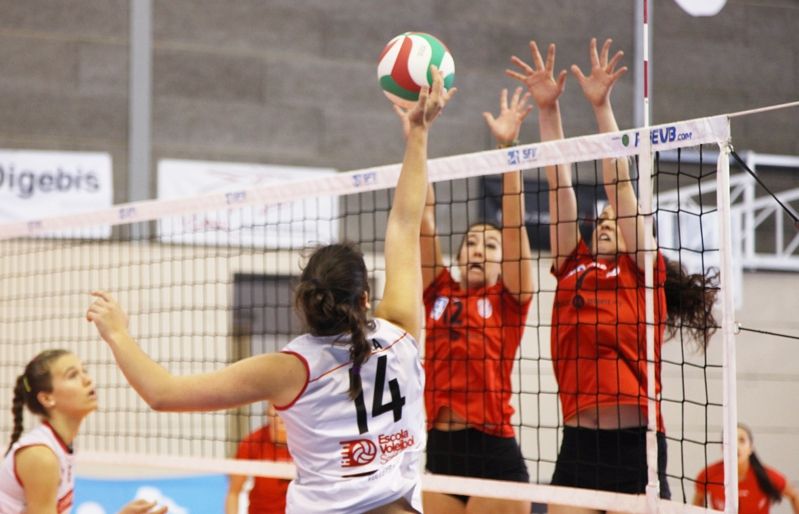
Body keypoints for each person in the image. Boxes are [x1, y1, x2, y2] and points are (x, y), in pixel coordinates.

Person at [86, 67, 456, 514]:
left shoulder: (289, 369)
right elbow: (404, 223)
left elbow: (163, 394)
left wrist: (118, 334)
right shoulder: (401, 329)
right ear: (364, 298)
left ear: (304, 301)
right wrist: (419, 134)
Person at [507, 37, 719, 509]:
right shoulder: (573, 266)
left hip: (635, 446)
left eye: (613, 221)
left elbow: (618, 184)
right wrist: (548, 111)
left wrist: (601, 108)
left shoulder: (644, 272)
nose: (605, 222)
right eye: (598, 220)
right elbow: (557, 180)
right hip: (578, 445)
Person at [398, 84, 534, 514]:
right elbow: (423, 218)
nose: (478, 249)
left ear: (501, 262)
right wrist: (417, 136)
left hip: (494, 452)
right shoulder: (438, 290)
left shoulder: (510, 298)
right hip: (441, 452)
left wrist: (507, 149)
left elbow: (513, 227)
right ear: (457, 257)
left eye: (489, 246)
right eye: (472, 243)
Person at [0, 349, 167, 514]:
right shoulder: (41, 456)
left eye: (84, 371)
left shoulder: (60, 446)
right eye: (72, 375)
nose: (87, 379)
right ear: (47, 398)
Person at [693, 424, 799, 514]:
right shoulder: (708, 475)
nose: (735, 446)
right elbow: (697, 503)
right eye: (729, 440)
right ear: (722, 448)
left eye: (742, 440)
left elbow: (794, 496)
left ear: (751, 447)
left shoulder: (767, 476)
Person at [225, 405, 292, 514]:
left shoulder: (306, 443)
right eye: (276, 407)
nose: (281, 414)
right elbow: (234, 492)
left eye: (285, 408)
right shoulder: (252, 443)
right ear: (268, 412)